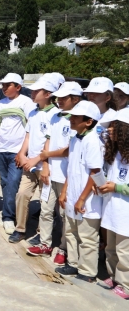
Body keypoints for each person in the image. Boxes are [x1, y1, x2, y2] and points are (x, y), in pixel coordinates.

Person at [28, 82, 82, 262]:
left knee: (65, 215)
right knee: (46, 210)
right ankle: (45, 244)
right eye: (58, 97)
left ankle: (64, 248)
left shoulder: (77, 119)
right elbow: (48, 142)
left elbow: (69, 150)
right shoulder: (55, 117)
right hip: (51, 173)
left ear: (75, 99)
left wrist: (47, 155)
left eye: (64, 98)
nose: (59, 100)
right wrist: (45, 166)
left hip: (67, 176)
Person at [9, 73, 63, 243]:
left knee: (46, 203)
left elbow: (50, 143)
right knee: (22, 194)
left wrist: (37, 159)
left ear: (47, 94)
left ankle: (42, 233)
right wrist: (22, 154)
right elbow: (28, 136)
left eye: (36, 91)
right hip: (29, 165)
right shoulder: (32, 113)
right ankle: (20, 229)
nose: (32, 93)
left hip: (45, 166)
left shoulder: (55, 114)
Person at [56, 101, 103, 283]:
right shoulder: (75, 139)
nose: (71, 119)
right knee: (71, 232)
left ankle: (88, 271)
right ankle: (73, 263)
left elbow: (95, 172)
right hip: (73, 194)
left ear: (89, 122)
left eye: (76, 117)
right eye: (71, 116)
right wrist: (64, 192)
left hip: (87, 199)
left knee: (87, 236)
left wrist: (82, 199)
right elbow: (71, 168)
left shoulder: (93, 141)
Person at [0, 73, 34, 234]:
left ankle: (9, 217)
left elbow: (30, 128)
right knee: (5, 183)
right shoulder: (0, 103)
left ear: (18, 87)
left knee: (13, 183)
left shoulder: (26, 102)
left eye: (8, 85)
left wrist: (23, 152)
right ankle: (9, 215)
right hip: (2, 150)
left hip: (17, 151)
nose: (4, 88)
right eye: (3, 85)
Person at [99, 108, 129, 299]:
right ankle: (113, 277)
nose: (109, 130)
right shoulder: (114, 152)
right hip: (111, 208)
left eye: (114, 127)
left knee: (124, 251)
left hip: (125, 211)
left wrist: (116, 187)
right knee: (111, 248)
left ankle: (126, 285)